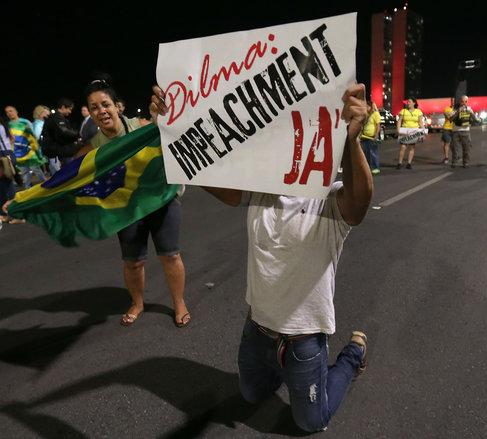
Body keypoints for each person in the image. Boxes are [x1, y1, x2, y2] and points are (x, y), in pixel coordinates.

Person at [151, 83, 372, 432]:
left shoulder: (329, 200)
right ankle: (288, 378)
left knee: (310, 422)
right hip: (256, 330)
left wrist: (352, 140)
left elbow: (359, 203)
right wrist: (170, 127)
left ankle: (351, 357)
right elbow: (199, 170)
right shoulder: (257, 190)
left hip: (304, 342)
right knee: (252, 396)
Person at [76, 75, 190, 328]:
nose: (101, 111)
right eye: (94, 107)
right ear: (90, 114)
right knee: (133, 261)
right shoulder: (93, 146)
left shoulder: (141, 126)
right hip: (127, 209)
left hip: (161, 199)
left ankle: (179, 302)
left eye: (105, 104)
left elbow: (169, 136)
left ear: (118, 106)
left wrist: (160, 118)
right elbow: (67, 178)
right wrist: (28, 199)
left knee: (170, 255)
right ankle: (137, 303)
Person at [5, 105, 46, 189]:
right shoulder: (7, 125)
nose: (9, 113)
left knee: (36, 169)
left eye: (11, 111)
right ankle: (29, 190)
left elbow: (34, 135)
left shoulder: (25, 122)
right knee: (24, 172)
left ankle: (46, 185)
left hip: (29, 151)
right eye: (7, 112)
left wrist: (30, 129)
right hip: (18, 153)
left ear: (16, 112)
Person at [40, 98, 81, 167]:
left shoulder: (55, 117)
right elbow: (63, 131)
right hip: (64, 152)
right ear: (63, 107)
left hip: (63, 151)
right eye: (69, 109)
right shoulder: (56, 117)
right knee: (71, 172)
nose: (70, 112)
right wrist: (78, 134)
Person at [0, 116, 22, 224]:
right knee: (6, 184)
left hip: (2, 156)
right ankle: (5, 214)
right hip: (8, 154)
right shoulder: (4, 125)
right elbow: (12, 138)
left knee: (6, 185)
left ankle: (15, 214)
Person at [448, 95, 478, 168]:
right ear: (460, 101)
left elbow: (475, 119)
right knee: (455, 148)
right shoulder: (455, 108)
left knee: (466, 147)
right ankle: (454, 161)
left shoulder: (469, 108)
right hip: (456, 131)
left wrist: (471, 113)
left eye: (465, 101)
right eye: (462, 101)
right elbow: (450, 119)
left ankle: (465, 162)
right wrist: (458, 112)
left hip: (466, 131)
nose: (463, 103)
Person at [396, 97, 424, 169]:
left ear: (414, 103)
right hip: (404, 130)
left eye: (409, 102)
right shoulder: (403, 111)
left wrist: (423, 130)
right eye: (407, 102)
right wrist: (398, 130)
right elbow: (399, 121)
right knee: (403, 147)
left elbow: (420, 122)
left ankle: (409, 163)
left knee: (411, 147)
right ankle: (399, 163)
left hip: (414, 131)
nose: (408, 103)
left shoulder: (418, 112)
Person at [32, 105, 57, 176]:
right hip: (48, 149)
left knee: (52, 169)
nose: (48, 114)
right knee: (54, 169)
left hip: (46, 149)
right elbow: (39, 136)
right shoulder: (38, 124)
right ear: (39, 114)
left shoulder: (40, 123)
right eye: (45, 113)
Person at [360, 101, 381, 174]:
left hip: (372, 136)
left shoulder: (375, 114)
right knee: (366, 153)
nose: (365, 108)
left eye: (367, 106)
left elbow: (378, 125)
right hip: (365, 136)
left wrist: (376, 135)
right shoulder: (366, 115)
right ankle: (367, 167)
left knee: (373, 152)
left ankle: (376, 167)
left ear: (371, 107)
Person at [441, 99, 454, 164]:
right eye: (452, 100)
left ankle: (455, 156)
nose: (453, 102)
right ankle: (446, 157)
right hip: (447, 127)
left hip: (455, 128)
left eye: (455, 100)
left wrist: (451, 114)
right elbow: (448, 116)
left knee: (455, 144)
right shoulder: (447, 109)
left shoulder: (459, 108)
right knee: (447, 143)